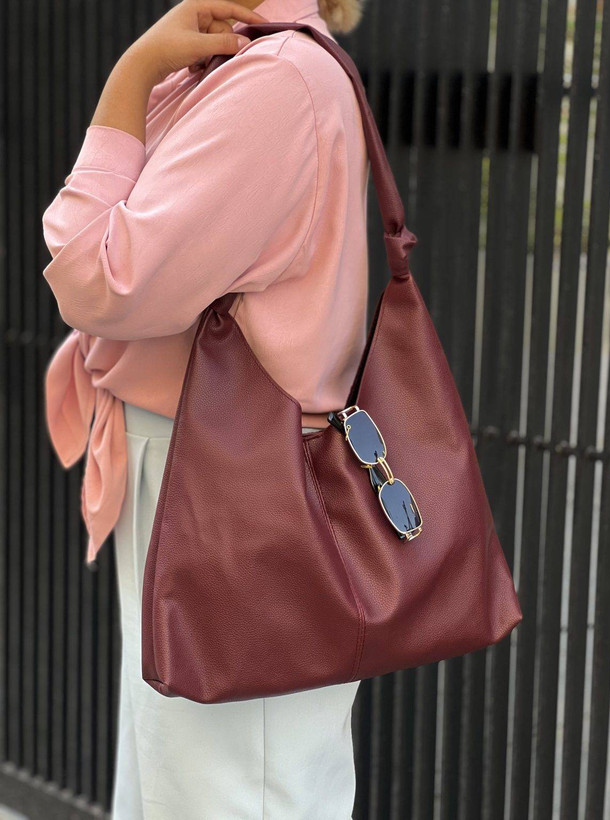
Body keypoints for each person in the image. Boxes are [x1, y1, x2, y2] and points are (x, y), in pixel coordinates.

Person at [41, 0, 370, 816]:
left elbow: (97, 275)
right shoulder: (244, 68)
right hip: (208, 463)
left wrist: (130, 74)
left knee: (226, 788)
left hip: (227, 479)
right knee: (193, 780)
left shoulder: (274, 83)